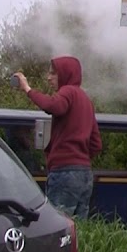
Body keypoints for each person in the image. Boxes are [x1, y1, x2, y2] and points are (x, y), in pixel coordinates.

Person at [14, 57, 102, 217]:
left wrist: (27, 89)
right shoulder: (86, 101)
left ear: (65, 74)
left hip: (64, 172)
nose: (49, 77)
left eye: (53, 73)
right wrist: (79, 159)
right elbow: (96, 144)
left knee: (58, 227)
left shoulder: (67, 92)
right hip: (85, 174)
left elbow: (52, 106)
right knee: (78, 229)